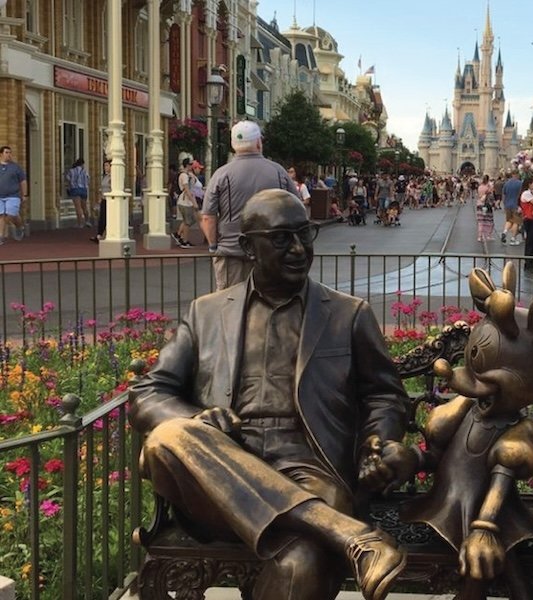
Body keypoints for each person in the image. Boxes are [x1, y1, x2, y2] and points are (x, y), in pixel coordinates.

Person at [130, 190, 411, 600]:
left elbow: (385, 395)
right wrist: (198, 419)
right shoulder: (206, 313)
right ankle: (347, 533)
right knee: (168, 437)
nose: (298, 249)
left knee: (302, 562)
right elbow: (149, 391)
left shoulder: (348, 314)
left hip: (309, 470)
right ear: (248, 247)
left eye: (304, 234)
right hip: (221, 473)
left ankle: (328, 525)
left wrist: (377, 441)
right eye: (281, 238)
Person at [201, 120, 294, 291]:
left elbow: (208, 217)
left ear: (233, 144)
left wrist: (214, 247)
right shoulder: (278, 172)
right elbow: (295, 210)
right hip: (270, 252)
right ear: (258, 142)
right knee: (269, 300)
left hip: (231, 253)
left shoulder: (221, 174)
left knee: (230, 301)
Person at [0, 145, 28, 244]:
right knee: (1, 215)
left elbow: (23, 181)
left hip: (13, 195)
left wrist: (24, 194)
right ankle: (1, 237)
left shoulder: (15, 167)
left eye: (10, 153)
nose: (9, 155)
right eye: (6, 152)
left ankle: (19, 226)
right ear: (1, 154)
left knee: (11, 214)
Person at [173, 158, 200, 248]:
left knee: (189, 220)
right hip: (185, 201)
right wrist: (194, 202)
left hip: (187, 201)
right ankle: (184, 240)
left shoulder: (188, 174)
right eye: (191, 164)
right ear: (187, 165)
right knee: (188, 222)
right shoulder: (184, 175)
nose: (192, 166)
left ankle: (178, 235)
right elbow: (187, 190)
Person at [520, 177, 533, 272]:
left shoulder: (532, 193)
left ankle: (532, 261)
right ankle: (528, 262)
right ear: (529, 184)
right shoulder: (526, 193)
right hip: (529, 218)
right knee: (530, 241)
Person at [90, 159, 112, 243]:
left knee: (106, 218)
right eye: (104, 166)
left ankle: (102, 235)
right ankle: (99, 235)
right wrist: (99, 199)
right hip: (103, 199)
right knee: (101, 218)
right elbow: (102, 188)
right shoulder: (105, 176)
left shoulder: (113, 177)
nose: (105, 167)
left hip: (109, 201)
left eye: (107, 165)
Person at [66, 157, 91, 228]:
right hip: (84, 190)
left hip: (75, 189)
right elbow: (88, 180)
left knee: (78, 207)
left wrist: (70, 186)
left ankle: (80, 223)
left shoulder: (71, 171)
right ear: (82, 164)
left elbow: (68, 179)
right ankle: (87, 221)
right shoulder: (84, 171)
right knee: (84, 207)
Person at [501, 172, 523, 245]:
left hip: (507, 205)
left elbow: (504, 195)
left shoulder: (506, 183)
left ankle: (504, 232)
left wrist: (504, 204)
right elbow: (521, 194)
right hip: (516, 205)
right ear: (517, 175)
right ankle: (513, 239)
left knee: (509, 220)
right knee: (516, 222)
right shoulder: (520, 183)